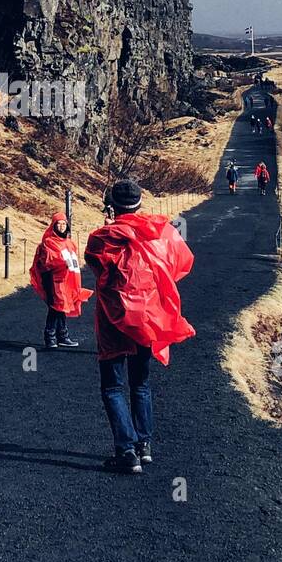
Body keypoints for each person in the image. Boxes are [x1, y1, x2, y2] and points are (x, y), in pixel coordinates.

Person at [85, 179, 194, 474]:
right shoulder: (160, 233)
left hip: (112, 321)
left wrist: (110, 225)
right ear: (140, 202)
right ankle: (144, 445)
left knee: (112, 386)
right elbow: (182, 262)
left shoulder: (101, 238)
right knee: (141, 383)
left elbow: (95, 265)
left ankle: (126, 450)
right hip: (146, 319)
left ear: (112, 205)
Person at [29, 211, 92, 350]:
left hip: (68, 281)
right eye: (59, 224)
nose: (62, 226)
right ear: (54, 225)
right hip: (54, 281)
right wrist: (62, 264)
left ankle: (62, 336)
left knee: (63, 307)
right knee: (56, 307)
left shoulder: (69, 243)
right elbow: (47, 262)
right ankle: (50, 336)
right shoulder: (48, 242)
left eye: (64, 224)